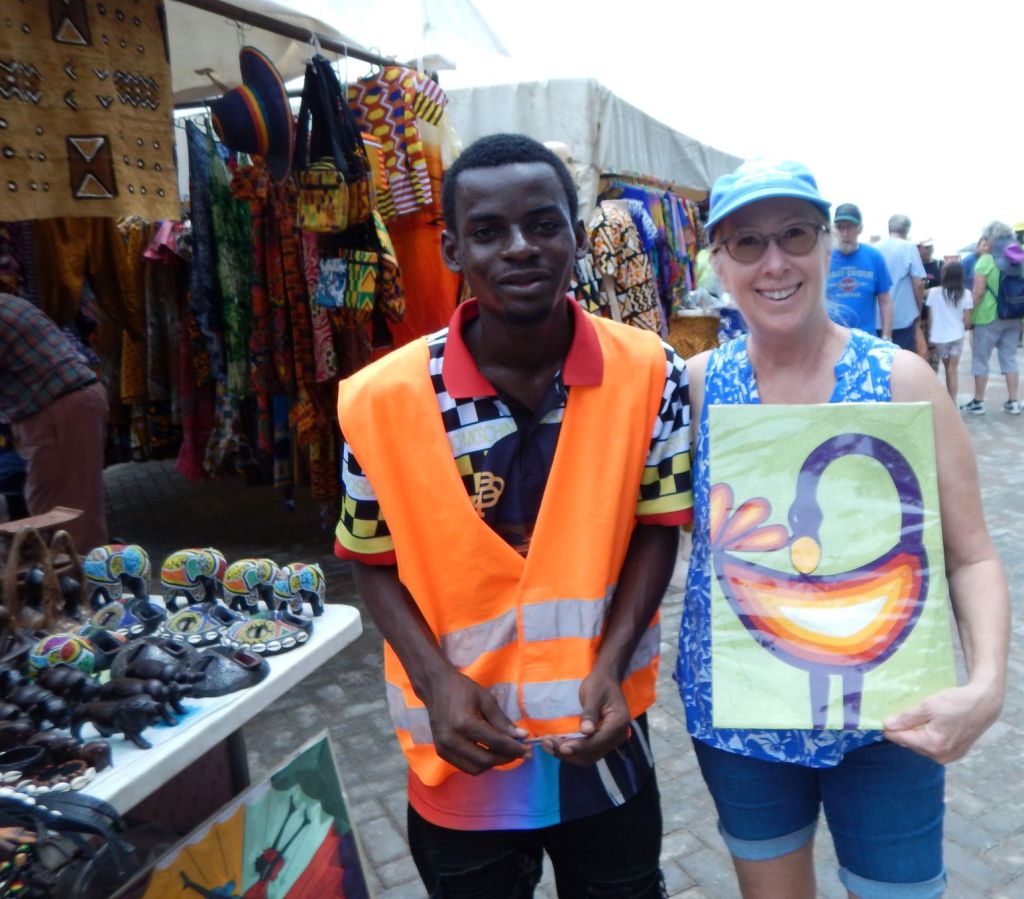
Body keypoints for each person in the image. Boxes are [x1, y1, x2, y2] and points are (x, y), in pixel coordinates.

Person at [334, 133, 693, 897]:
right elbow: (370, 559)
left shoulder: (650, 372)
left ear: (577, 235)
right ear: (454, 249)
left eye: (543, 223)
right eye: (489, 231)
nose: (521, 247)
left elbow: (658, 529)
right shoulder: (379, 400)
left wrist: (609, 664)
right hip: (464, 751)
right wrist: (436, 681)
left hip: (603, 742)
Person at [677, 159, 1009, 898]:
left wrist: (987, 685)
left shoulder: (901, 381)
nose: (774, 262)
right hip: (742, 717)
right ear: (719, 263)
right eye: (747, 242)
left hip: (890, 717)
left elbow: (971, 555)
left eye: (795, 234)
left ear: (829, 245)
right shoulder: (697, 389)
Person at [0, 294, 109, 551]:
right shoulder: (7, 301)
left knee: (69, 517)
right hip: (61, 403)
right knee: (54, 509)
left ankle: (79, 572)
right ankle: (67, 569)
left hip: (61, 405)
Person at [960, 221, 1023, 415]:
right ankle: (1013, 402)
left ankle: (978, 402)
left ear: (991, 239)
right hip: (1015, 316)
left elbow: (977, 293)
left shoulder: (986, 261)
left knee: (981, 359)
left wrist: (967, 316)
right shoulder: (1020, 260)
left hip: (988, 317)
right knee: (1009, 358)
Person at [826, 203, 893, 338]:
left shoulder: (874, 257)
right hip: (830, 339)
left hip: (865, 339)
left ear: (860, 229)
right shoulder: (824, 257)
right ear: (834, 229)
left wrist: (887, 337)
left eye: (850, 227)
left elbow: (885, 301)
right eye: (840, 227)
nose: (845, 233)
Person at [876, 215, 927, 352]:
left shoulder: (875, 248)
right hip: (902, 320)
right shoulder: (908, 247)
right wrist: (918, 312)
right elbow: (918, 284)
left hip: (878, 319)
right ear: (907, 230)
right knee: (903, 359)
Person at [924, 261, 973, 400]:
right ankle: (952, 402)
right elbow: (967, 323)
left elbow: (930, 319)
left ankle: (948, 400)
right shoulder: (966, 294)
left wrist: (931, 334)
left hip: (939, 338)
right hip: (957, 336)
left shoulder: (934, 293)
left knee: (947, 369)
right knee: (953, 370)